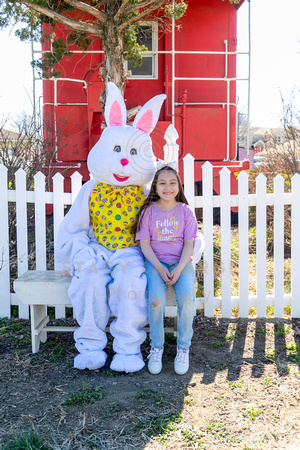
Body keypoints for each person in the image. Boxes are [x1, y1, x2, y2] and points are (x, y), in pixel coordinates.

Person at [134, 162, 198, 375]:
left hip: (181, 263)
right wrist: (160, 269)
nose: (167, 187)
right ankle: (157, 347)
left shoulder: (186, 212)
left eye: (172, 183)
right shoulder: (148, 212)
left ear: (179, 186)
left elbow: (189, 244)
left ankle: (183, 348)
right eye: (162, 183)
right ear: (155, 187)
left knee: (187, 300)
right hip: (155, 264)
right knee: (156, 301)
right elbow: (144, 244)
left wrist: (179, 269)